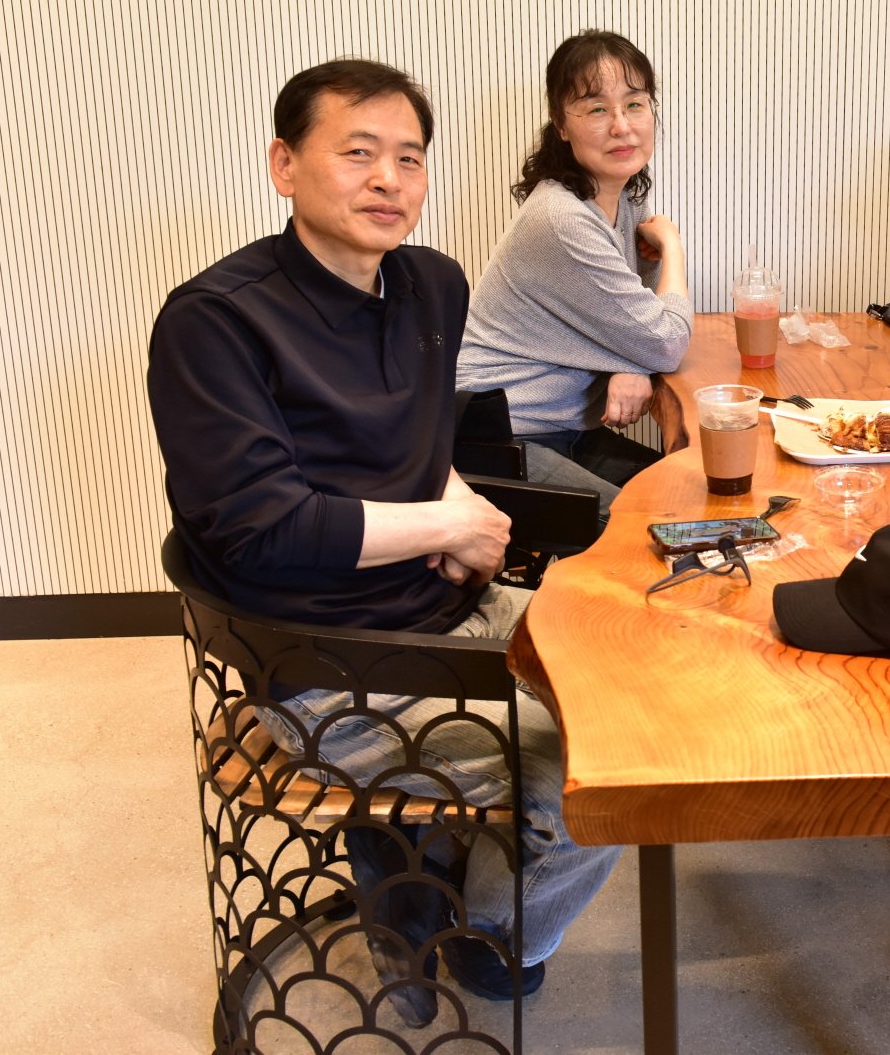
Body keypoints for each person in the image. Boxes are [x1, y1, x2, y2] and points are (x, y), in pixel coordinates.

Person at [146, 59, 620, 1027]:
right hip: (331, 663)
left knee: (647, 699)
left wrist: (454, 506)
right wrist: (451, 524)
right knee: (604, 774)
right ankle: (478, 935)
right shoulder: (215, 322)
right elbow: (262, 526)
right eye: (357, 152)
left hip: (447, 605)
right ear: (283, 165)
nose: (387, 179)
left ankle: (447, 889)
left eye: (408, 157)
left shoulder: (430, 284)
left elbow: (415, 442)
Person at [458, 30, 692, 524]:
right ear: (562, 125)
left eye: (635, 104)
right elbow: (663, 340)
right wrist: (671, 244)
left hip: (564, 428)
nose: (622, 126)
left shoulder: (622, 199)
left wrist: (632, 364)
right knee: (658, 530)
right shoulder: (562, 219)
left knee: (692, 498)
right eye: (597, 109)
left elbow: (629, 318)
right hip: (503, 438)